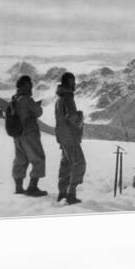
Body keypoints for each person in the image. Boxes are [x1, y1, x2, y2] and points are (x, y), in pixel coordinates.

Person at [11, 75, 48, 197]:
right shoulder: (26, 100)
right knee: (38, 158)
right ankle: (32, 187)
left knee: (20, 160)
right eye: (29, 86)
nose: (31, 88)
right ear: (25, 86)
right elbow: (38, 112)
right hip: (29, 134)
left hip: (17, 136)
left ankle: (19, 187)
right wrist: (36, 105)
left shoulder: (14, 100)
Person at [54, 72, 86, 205]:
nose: (75, 84)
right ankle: (71, 194)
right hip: (70, 137)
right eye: (72, 82)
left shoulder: (59, 99)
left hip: (62, 136)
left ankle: (62, 193)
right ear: (67, 83)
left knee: (66, 164)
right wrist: (80, 118)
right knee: (79, 163)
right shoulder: (68, 97)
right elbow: (72, 117)